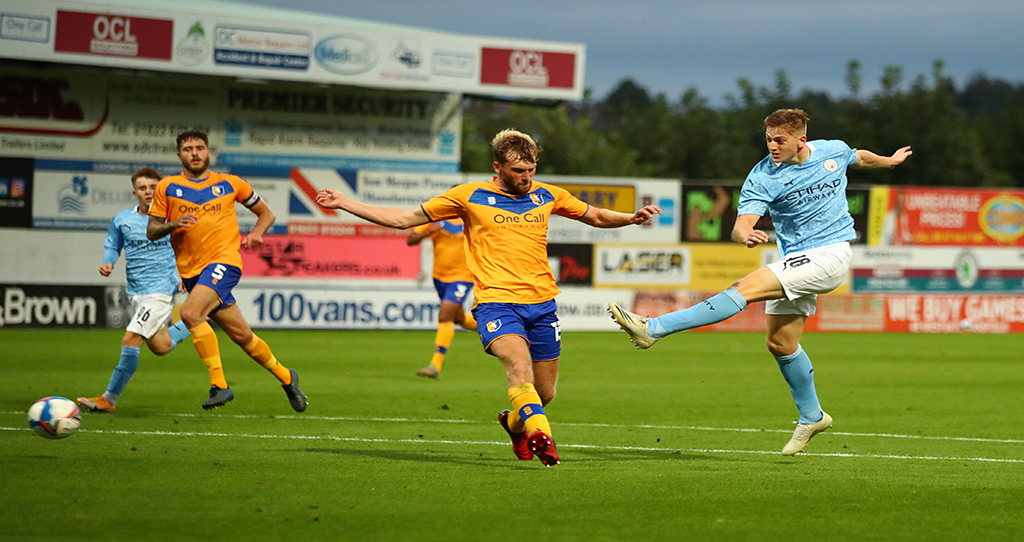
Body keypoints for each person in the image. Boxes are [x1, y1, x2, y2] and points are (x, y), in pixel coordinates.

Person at [316, 128, 660, 466]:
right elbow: (404, 219)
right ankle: (544, 439)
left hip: (542, 306)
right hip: (496, 302)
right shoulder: (467, 196)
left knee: (545, 394)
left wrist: (631, 218)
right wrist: (345, 202)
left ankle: (514, 425)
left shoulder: (547, 195)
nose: (526, 177)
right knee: (518, 367)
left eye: (531, 169)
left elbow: (596, 215)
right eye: (518, 171)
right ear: (497, 167)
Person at [609, 108, 911, 455]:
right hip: (795, 259)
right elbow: (741, 223)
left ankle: (654, 328)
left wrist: (888, 162)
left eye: (779, 139)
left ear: (801, 140)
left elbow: (858, 157)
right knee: (781, 343)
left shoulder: (832, 151)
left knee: (743, 290)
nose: (772, 145)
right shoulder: (764, 175)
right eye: (768, 139)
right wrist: (743, 234)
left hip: (831, 254)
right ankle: (812, 416)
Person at [147, 131, 307, 412]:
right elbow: (152, 231)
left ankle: (219, 385)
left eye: (199, 148)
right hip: (192, 273)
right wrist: (174, 225)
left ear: (209, 152)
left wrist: (257, 232)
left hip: (225, 262)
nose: (194, 153)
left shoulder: (230, 183)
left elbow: (266, 213)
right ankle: (286, 377)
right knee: (242, 336)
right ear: (179, 156)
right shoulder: (167, 188)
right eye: (187, 149)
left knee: (189, 313)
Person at [77, 168, 192, 413]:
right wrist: (109, 261)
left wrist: (183, 275)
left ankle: (109, 399)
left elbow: (187, 249)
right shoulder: (122, 219)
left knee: (131, 339)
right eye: (143, 188)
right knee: (160, 345)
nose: (148, 192)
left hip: (161, 290)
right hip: (137, 292)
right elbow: (113, 245)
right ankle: (199, 319)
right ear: (135, 192)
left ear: (162, 190)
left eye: (153, 187)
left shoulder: (174, 220)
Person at [406, 220, 478, 379]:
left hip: (463, 277)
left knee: (445, 315)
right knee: (457, 317)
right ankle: (485, 327)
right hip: (439, 277)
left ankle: (435, 365)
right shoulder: (437, 219)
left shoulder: (473, 218)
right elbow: (410, 239)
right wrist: (429, 231)